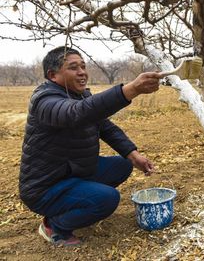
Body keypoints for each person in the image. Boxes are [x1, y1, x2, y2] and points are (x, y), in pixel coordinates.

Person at [19, 46, 163, 246]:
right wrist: (132, 89)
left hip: (71, 171)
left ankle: (83, 203)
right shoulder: (44, 101)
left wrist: (133, 154)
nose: (82, 72)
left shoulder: (81, 96)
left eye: (83, 66)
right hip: (45, 187)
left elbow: (106, 127)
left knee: (122, 164)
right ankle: (55, 225)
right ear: (53, 75)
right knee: (108, 199)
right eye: (73, 67)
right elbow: (75, 114)